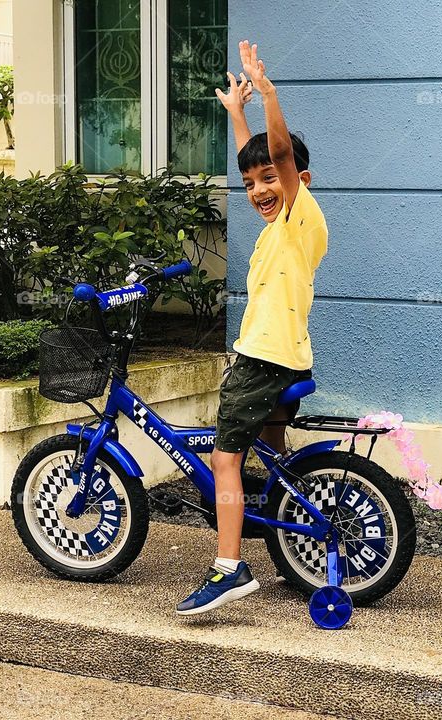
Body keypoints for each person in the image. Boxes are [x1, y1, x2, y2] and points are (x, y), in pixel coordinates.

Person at [177, 41, 328, 616]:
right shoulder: (281, 226)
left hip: (262, 359)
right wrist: (237, 114)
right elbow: (259, 158)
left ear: (298, 179)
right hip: (284, 355)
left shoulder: (300, 213)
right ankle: (288, 532)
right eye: (249, 185)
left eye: (272, 180)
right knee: (270, 452)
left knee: (226, 458)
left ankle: (229, 567)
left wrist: (266, 94)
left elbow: (279, 153)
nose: (260, 190)